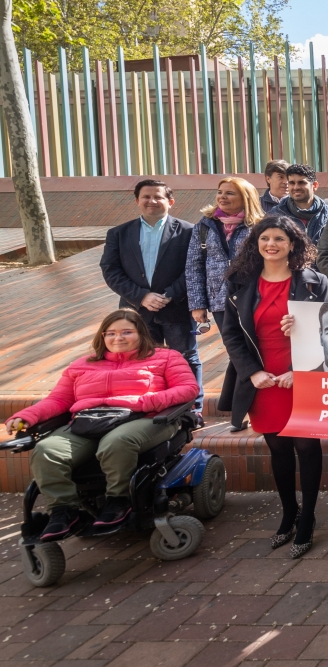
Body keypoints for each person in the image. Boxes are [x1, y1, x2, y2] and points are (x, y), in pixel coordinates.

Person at [2, 309, 199, 541]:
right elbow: (58, 400)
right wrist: (27, 416)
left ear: (141, 333)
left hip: (145, 419)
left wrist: (141, 402)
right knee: (47, 450)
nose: (118, 338)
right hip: (90, 422)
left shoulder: (166, 357)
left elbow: (188, 389)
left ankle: (118, 500)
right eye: (111, 333)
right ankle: (64, 510)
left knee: (116, 442)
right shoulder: (82, 365)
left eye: (127, 332)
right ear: (102, 336)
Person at [220, 216, 328, 558]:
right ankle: (289, 512)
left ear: (292, 244)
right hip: (262, 380)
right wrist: (252, 372)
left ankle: (309, 518)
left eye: (279, 239)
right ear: (256, 243)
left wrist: (300, 366)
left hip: (301, 377)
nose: (272, 244)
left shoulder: (315, 281)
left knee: (307, 448)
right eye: (265, 238)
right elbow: (232, 334)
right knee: (278, 449)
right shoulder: (240, 282)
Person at [100, 179, 202, 412]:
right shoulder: (118, 233)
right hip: (136, 311)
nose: (152, 201)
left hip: (176, 307)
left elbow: (194, 268)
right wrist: (142, 296)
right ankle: (148, 408)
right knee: (141, 361)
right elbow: (110, 270)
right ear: (137, 201)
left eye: (158, 196)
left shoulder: (190, 231)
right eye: (146, 197)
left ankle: (191, 411)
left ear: (171, 201)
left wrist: (168, 295)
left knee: (185, 360)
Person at [187, 177, 266, 432]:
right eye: (220, 192)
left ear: (245, 198)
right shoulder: (205, 225)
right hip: (220, 302)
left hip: (252, 299)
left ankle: (237, 408)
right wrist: (198, 304)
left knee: (245, 352)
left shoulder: (259, 226)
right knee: (237, 352)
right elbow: (193, 266)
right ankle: (237, 409)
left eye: (229, 193)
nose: (222, 197)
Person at [267, 163, 328, 243]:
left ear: (315, 185)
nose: (296, 187)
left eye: (301, 183)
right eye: (292, 183)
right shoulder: (274, 215)